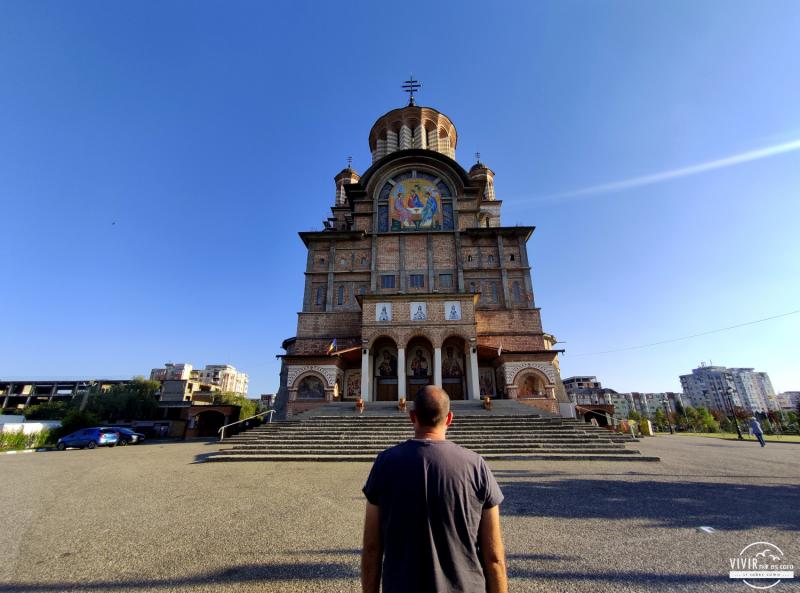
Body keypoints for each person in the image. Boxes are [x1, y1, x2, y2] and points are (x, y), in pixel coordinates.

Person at [361, 386, 508, 593]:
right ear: (449, 419)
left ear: (412, 416)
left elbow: (371, 547)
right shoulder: (477, 466)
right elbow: (493, 557)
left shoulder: (384, 463)